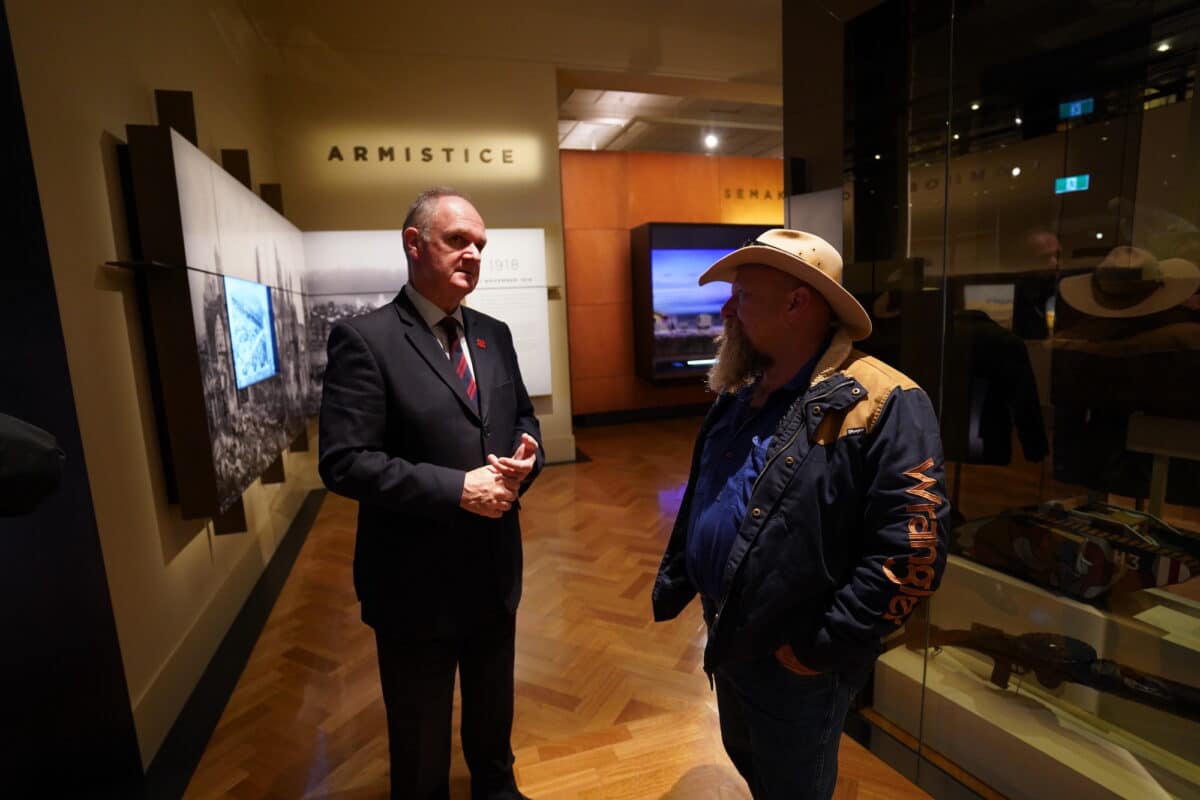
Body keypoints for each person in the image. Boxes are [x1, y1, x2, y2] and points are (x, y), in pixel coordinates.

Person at [651, 229, 950, 799]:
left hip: (797, 654)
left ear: (798, 304)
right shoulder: (742, 392)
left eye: (744, 296)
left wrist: (820, 647)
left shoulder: (884, 401)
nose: (726, 309)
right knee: (751, 761)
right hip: (733, 631)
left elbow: (913, 551)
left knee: (794, 785)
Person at [319, 187, 543, 800]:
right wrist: (456, 488)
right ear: (414, 244)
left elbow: (522, 417)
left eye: (480, 244)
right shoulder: (365, 340)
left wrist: (528, 457)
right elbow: (343, 462)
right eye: (457, 240)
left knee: (493, 718)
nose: (473, 253)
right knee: (419, 741)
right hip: (414, 581)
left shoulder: (493, 333)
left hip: (494, 568)